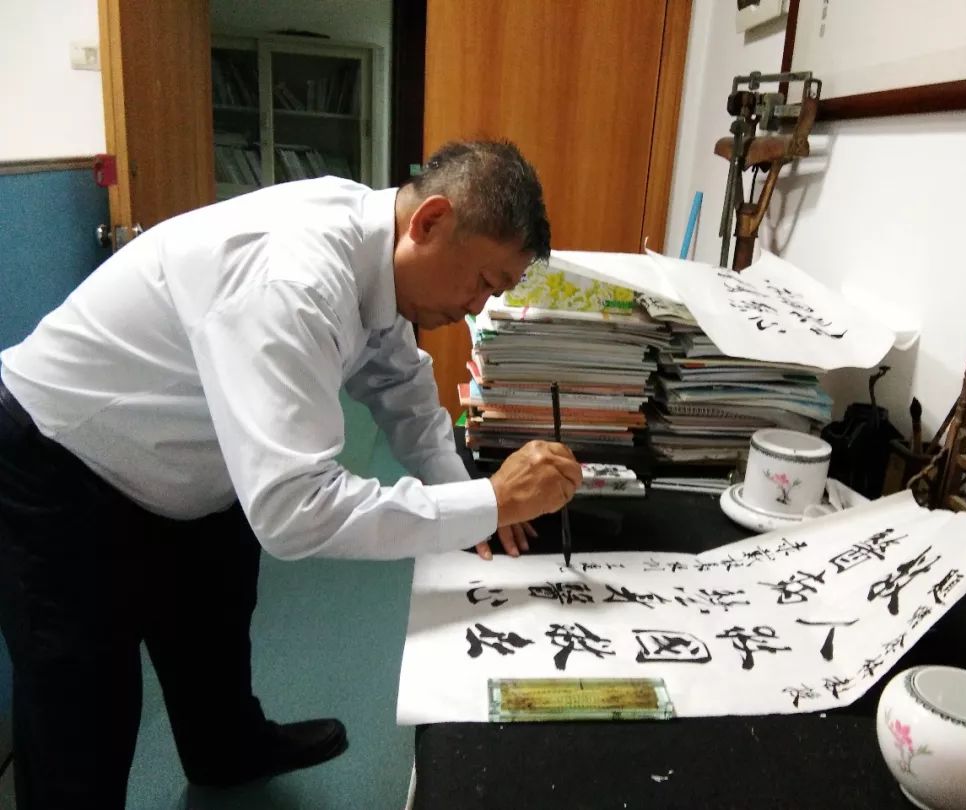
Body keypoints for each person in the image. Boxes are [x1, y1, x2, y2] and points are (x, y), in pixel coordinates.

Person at [0, 140, 582, 808]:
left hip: (188, 450)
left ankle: (227, 750)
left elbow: (401, 388)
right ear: (431, 222)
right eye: (482, 281)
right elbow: (296, 513)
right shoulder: (296, 280)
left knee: (214, 619)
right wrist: (488, 502)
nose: (478, 307)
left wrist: (473, 502)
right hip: (60, 452)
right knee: (83, 705)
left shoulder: (378, 251)